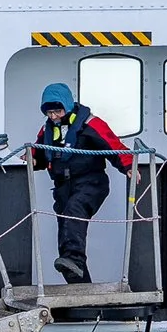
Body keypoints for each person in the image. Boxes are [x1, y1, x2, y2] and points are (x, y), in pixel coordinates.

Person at [30, 82, 134, 286]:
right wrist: (31, 159)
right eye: (49, 112)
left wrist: (129, 166)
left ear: (67, 106)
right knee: (65, 233)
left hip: (90, 182)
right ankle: (80, 286)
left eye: (57, 111)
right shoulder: (47, 129)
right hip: (63, 187)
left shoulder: (90, 124)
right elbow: (40, 154)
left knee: (74, 211)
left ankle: (74, 261)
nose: (54, 116)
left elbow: (113, 145)